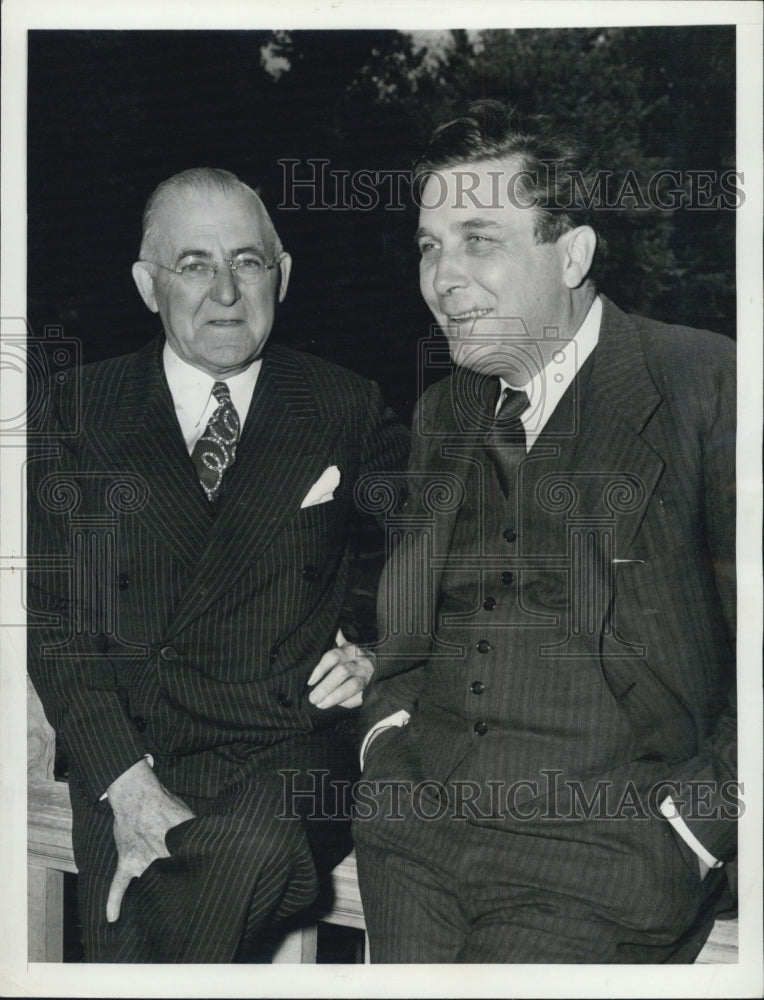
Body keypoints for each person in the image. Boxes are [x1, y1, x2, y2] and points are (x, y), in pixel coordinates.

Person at [354, 101, 736, 963]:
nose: (442, 277)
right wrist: (386, 745)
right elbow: (406, 632)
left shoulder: (706, 384)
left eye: (479, 238)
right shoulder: (442, 414)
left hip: (602, 860)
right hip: (412, 846)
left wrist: (696, 830)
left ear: (574, 253)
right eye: (428, 245)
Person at [27, 167, 409, 962]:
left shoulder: (344, 404)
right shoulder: (77, 412)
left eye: (248, 262)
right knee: (149, 893)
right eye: (195, 264)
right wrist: (124, 781)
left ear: (284, 274)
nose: (227, 292)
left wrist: (377, 651)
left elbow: (428, 558)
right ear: (147, 284)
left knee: (237, 852)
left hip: (290, 751)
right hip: (133, 753)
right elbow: (57, 619)